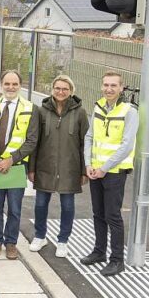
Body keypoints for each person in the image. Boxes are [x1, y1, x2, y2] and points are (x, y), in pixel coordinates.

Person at [80, 70, 139, 277]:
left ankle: (117, 260)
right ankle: (99, 252)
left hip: (113, 172)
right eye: (106, 85)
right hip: (96, 170)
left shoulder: (129, 111)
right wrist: (88, 164)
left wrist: (104, 168)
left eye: (113, 85)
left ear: (121, 88)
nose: (109, 89)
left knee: (112, 216)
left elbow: (126, 146)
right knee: (98, 214)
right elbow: (89, 137)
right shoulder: (97, 108)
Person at [28, 75, 89, 259]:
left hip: (70, 169)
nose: (61, 92)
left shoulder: (80, 113)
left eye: (65, 89)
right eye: (57, 88)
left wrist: (84, 170)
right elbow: (34, 141)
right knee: (40, 204)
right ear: (52, 89)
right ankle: (40, 236)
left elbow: (85, 143)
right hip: (44, 167)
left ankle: (63, 241)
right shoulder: (41, 111)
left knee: (68, 206)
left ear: (71, 91)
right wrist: (31, 168)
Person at [0, 70, 39, 260]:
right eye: (7, 84)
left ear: (20, 86)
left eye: (14, 84)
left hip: (16, 167)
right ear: (1, 85)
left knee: (15, 208)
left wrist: (10, 160)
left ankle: (11, 243)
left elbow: (32, 141)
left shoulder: (30, 108)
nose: (10, 87)